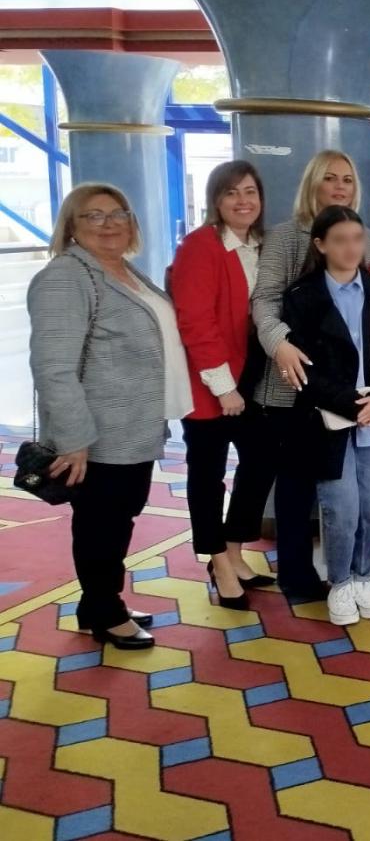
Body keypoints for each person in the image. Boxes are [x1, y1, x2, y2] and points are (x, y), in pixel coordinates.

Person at [28, 184, 193, 650]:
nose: (109, 224)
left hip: (133, 427)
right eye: (94, 216)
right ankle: (105, 611)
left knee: (120, 517)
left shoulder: (122, 269)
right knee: (102, 522)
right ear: (71, 226)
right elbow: (53, 367)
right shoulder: (66, 277)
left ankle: (97, 602)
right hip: (97, 434)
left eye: (118, 214)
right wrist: (74, 439)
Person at [251, 150, 370, 600]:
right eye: (330, 178)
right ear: (312, 183)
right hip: (294, 382)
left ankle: (360, 567)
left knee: (354, 485)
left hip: (343, 388)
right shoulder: (286, 236)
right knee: (297, 484)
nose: (340, 186)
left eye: (347, 179)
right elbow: (265, 300)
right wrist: (281, 343)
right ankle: (296, 574)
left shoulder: (363, 235)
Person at [282, 206, 370, 627]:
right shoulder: (302, 296)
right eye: (339, 240)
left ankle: (365, 577)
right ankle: (339, 582)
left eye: (357, 238)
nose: (351, 248)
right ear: (320, 245)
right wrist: (353, 404)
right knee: (341, 509)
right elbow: (304, 371)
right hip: (327, 419)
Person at [170, 161, 277, 611]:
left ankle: (233, 549)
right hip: (208, 380)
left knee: (262, 457)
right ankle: (217, 560)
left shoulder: (259, 244)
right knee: (207, 474)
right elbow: (195, 322)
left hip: (250, 374)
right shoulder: (201, 246)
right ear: (215, 200)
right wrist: (222, 386)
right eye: (231, 192)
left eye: (250, 191)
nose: (242, 201)